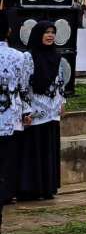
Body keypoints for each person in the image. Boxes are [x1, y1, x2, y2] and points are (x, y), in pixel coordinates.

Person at [17, 22, 69, 200]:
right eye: (46, 32)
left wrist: (62, 102)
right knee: (34, 150)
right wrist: (25, 110)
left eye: (53, 32)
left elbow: (60, 82)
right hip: (35, 111)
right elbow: (23, 85)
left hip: (52, 111)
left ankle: (47, 188)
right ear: (37, 34)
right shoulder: (28, 57)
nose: (50, 35)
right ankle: (31, 190)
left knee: (48, 150)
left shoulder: (57, 57)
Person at [1, 14, 33, 210]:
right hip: (9, 116)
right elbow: (23, 89)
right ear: (9, 31)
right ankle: (6, 193)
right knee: (7, 159)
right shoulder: (20, 57)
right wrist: (26, 112)